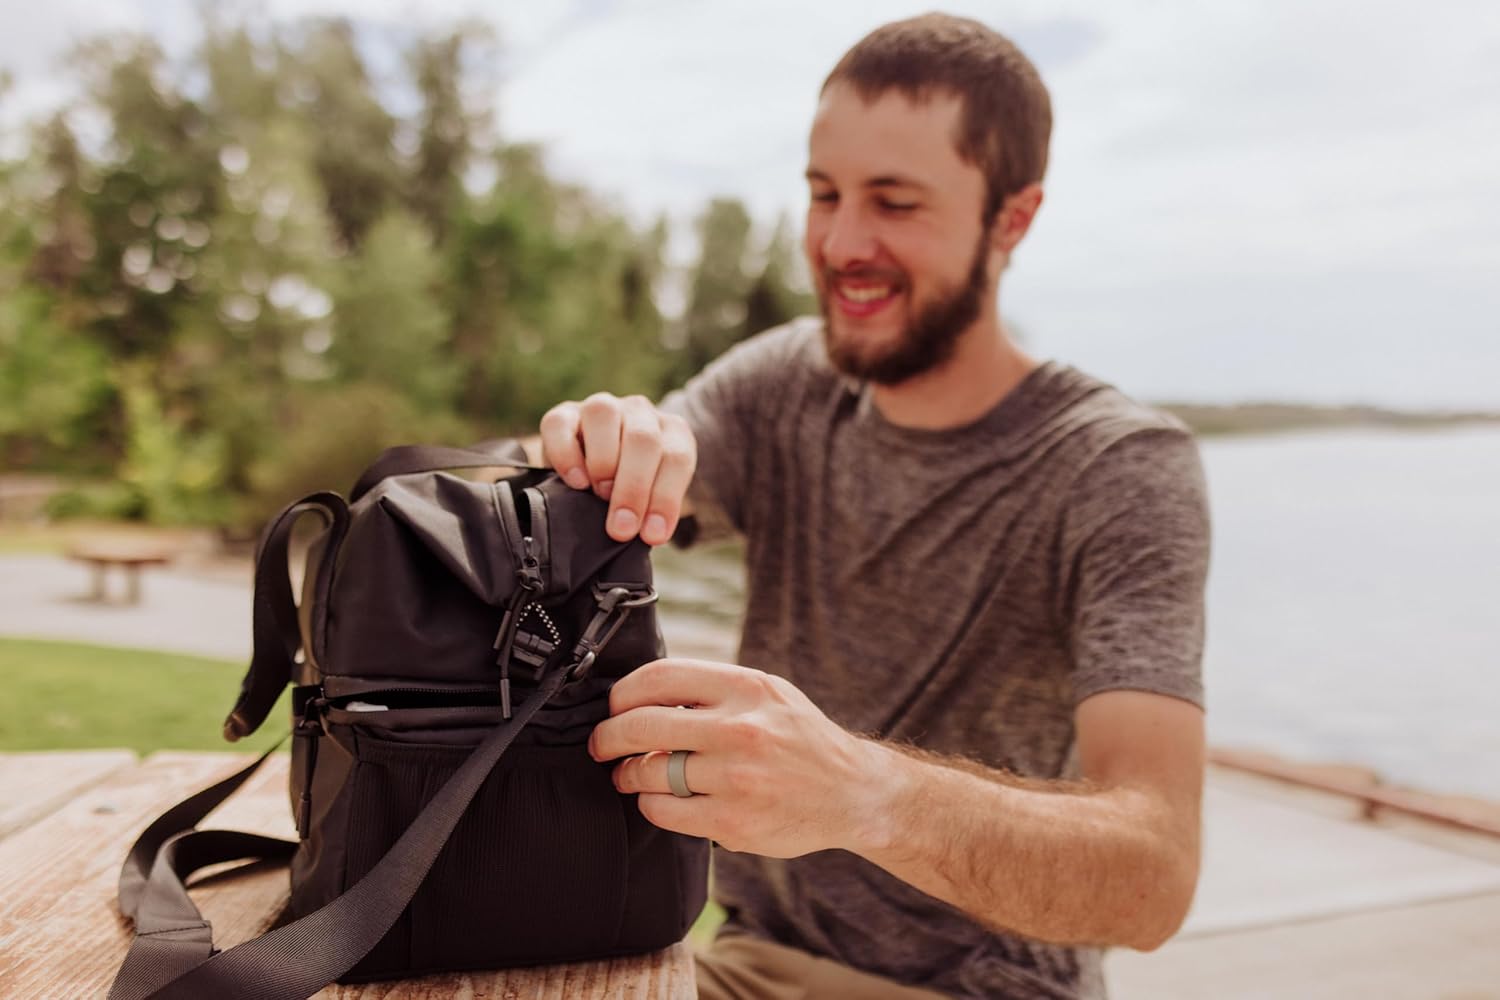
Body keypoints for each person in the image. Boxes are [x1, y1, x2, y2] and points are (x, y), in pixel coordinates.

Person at [536, 13, 1210, 999]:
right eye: (823, 194)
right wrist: (590, 445)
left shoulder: (1119, 467)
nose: (843, 243)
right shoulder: (785, 384)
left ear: (1012, 220)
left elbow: (1154, 877)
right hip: (746, 963)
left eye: (894, 203)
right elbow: (548, 487)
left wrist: (866, 794)